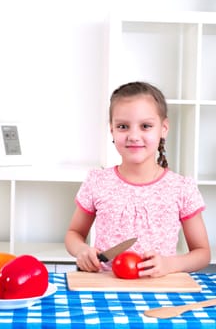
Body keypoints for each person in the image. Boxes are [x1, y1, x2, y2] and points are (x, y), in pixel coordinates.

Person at [65, 81, 210, 277]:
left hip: (159, 289)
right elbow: (73, 234)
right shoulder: (97, 181)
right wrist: (82, 250)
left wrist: (170, 264)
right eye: (123, 126)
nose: (133, 136)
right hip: (105, 286)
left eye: (145, 126)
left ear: (163, 128)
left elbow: (202, 253)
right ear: (112, 130)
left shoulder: (181, 188)